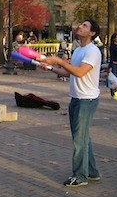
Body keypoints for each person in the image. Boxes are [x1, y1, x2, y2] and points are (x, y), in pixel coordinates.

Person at [40, 19, 102, 187]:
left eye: (85, 26)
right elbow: (68, 73)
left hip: (87, 100)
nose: (80, 27)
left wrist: (59, 61)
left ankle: (80, 176)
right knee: (82, 138)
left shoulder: (93, 51)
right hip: (76, 99)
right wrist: (50, 67)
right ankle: (92, 172)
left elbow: (81, 72)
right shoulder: (78, 50)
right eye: (81, 24)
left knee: (79, 140)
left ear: (92, 33)